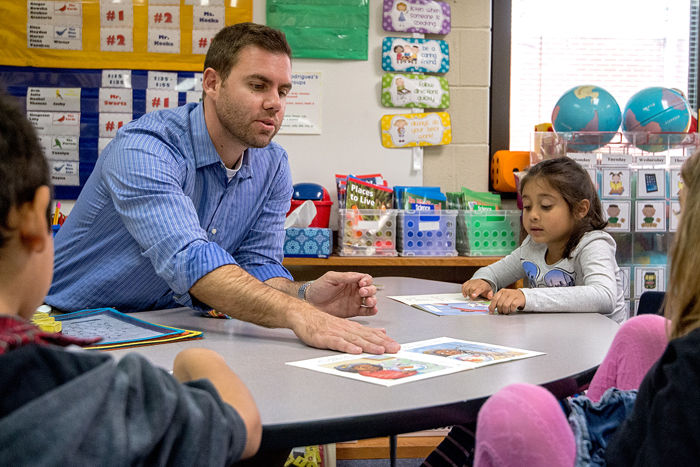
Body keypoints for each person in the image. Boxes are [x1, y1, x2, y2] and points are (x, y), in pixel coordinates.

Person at [44, 23, 399, 355]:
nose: (275, 103)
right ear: (212, 84)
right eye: (259, 86)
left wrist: (305, 294)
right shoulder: (146, 147)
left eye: (283, 90)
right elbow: (189, 259)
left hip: (164, 327)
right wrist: (298, 314)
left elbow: (256, 265)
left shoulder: (271, 163)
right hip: (69, 327)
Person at [0, 92, 261, 465]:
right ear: (32, 219)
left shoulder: (269, 162)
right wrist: (198, 360)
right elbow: (241, 426)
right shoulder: (85, 391)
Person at [462, 157, 626, 323]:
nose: (533, 215)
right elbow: (493, 273)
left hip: (602, 343)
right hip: (559, 336)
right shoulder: (534, 245)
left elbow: (604, 296)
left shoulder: (593, 244)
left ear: (580, 209)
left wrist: (526, 296)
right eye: (527, 206)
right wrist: (483, 281)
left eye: (546, 206)